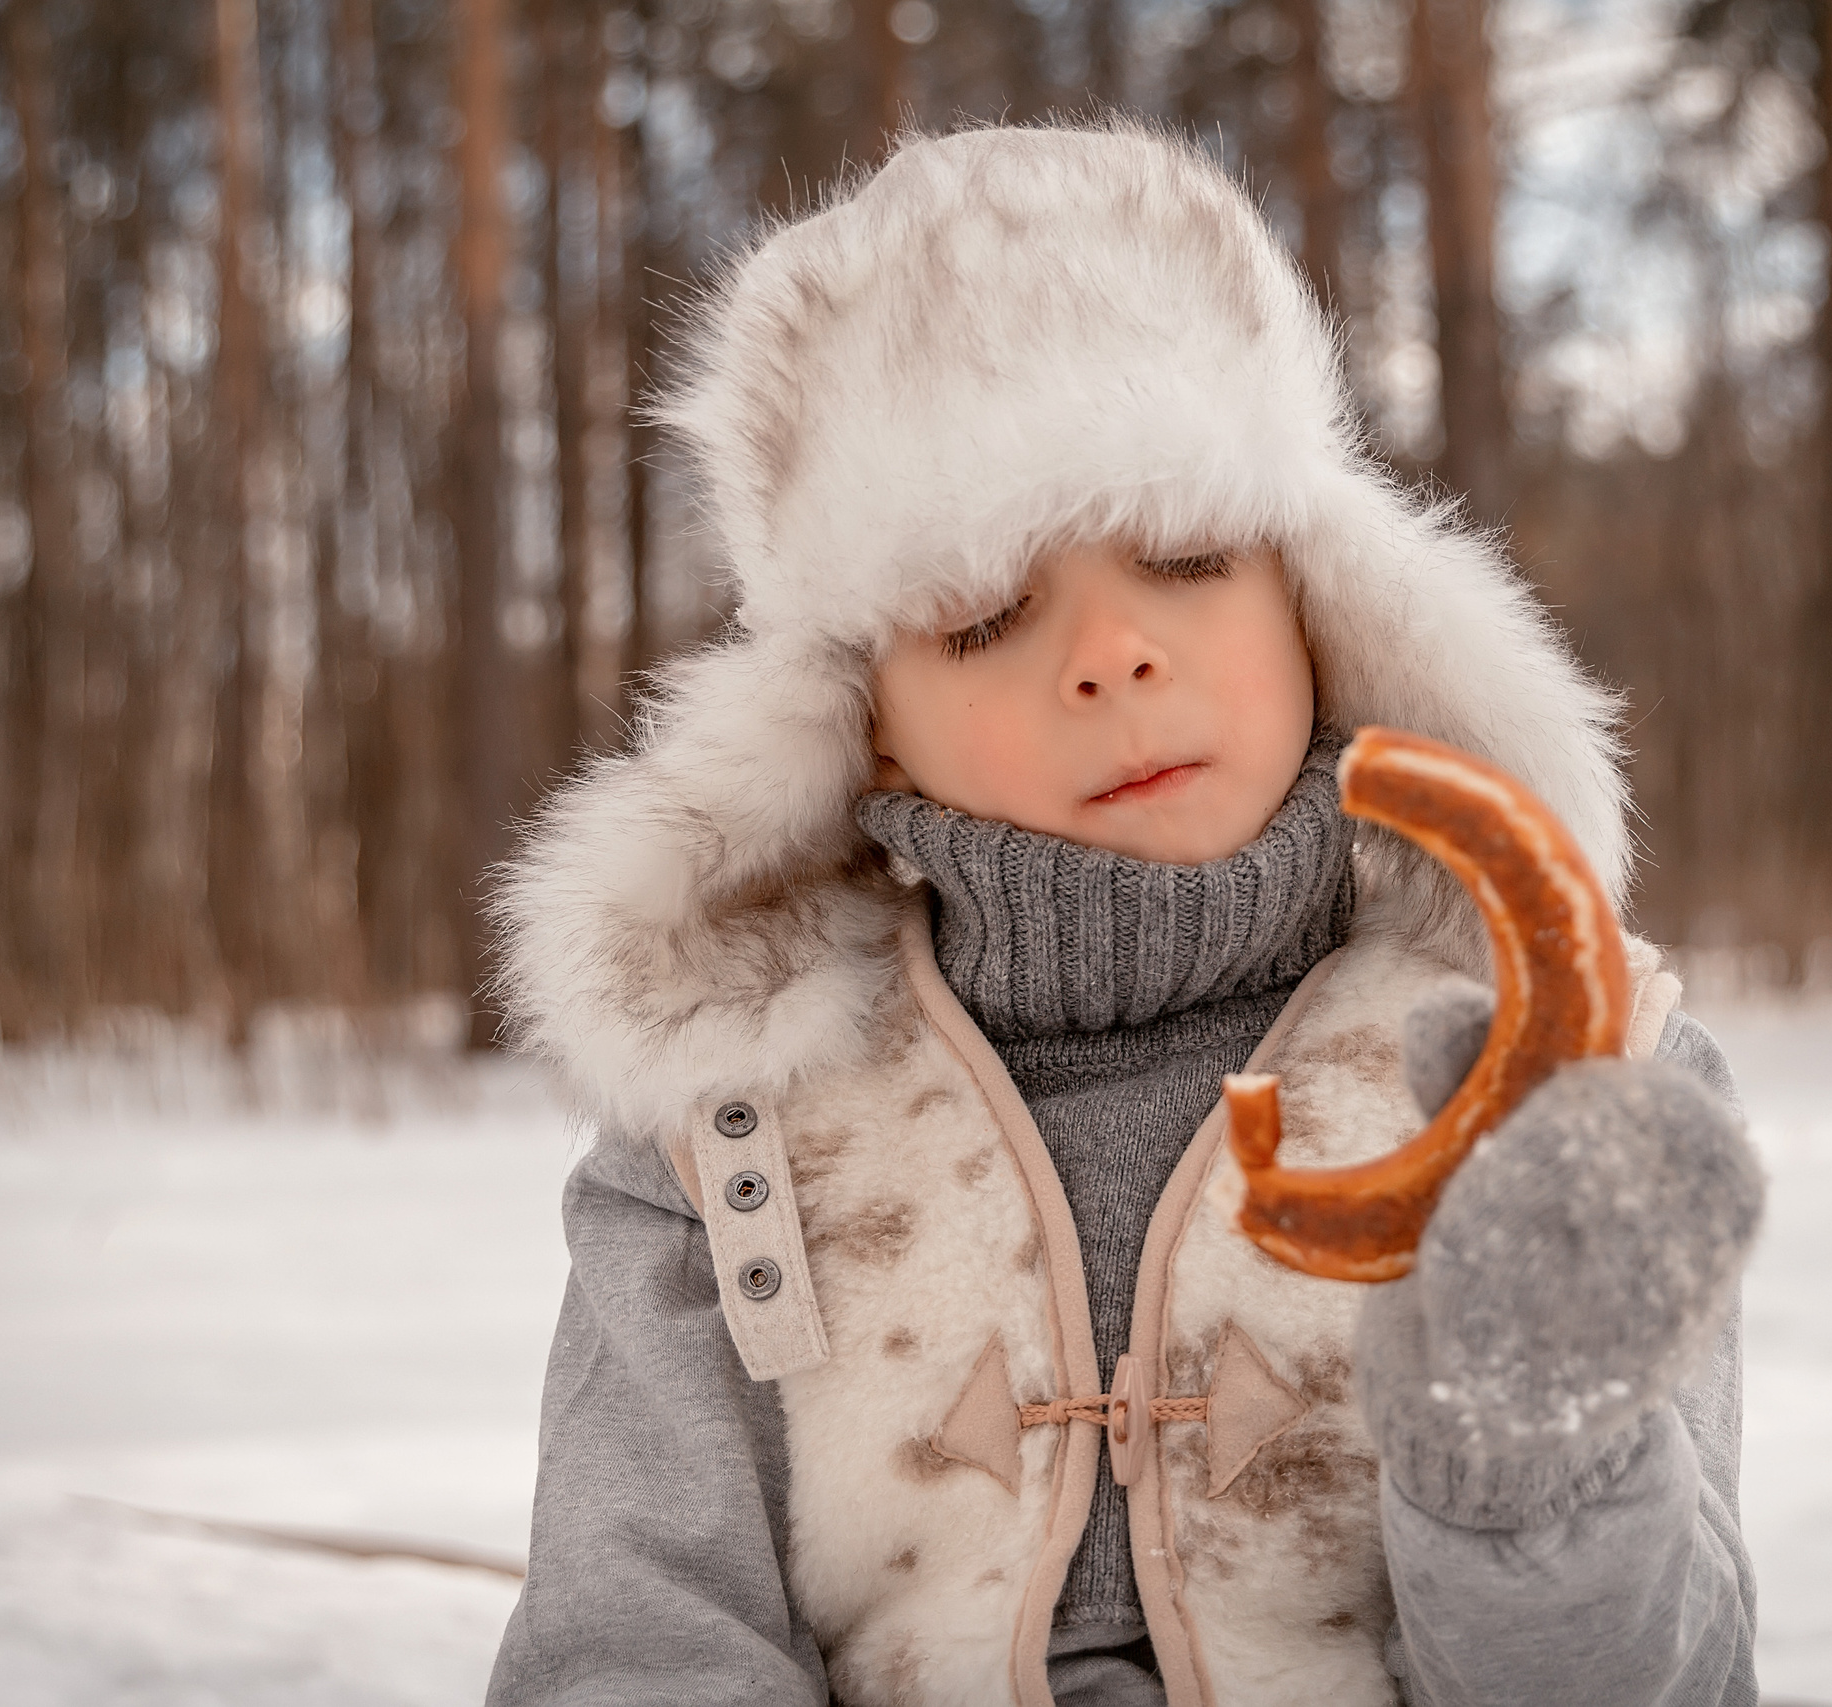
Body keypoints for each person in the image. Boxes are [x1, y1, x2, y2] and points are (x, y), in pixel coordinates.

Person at [486, 121, 1763, 1707]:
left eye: (1185, 552)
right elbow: (635, 1649)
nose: (1111, 656)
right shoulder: (724, 1145)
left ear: (1315, 600)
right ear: (862, 723)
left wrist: (1532, 1455)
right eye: (984, 614)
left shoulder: (1557, 1080)